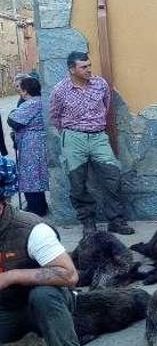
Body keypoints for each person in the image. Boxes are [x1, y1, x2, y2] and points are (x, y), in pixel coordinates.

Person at [0, 158, 86, 346]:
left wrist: (13, 276)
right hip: (6, 310)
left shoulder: (32, 228)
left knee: (44, 295)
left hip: (42, 306)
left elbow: (69, 275)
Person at [48, 52, 134, 235]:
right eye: (84, 67)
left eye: (89, 65)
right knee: (77, 182)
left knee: (113, 176)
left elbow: (106, 105)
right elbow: (55, 117)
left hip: (98, 138)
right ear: (72, 69)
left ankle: (116, 221)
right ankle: (88, 222)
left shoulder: (100, 84)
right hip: (73, 138)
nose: (89, 70)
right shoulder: (59, 90)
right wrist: (70, 134)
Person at [8, 77, 49, 216]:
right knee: (36, 176)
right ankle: (40, 206)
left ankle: (36, 209)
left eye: (20, 88)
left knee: (30, 176)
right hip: (37, 141)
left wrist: (11, 113)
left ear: (26, 91)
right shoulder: (40, 101)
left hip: (31, 144)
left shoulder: (31, 103)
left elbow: (13, 121)